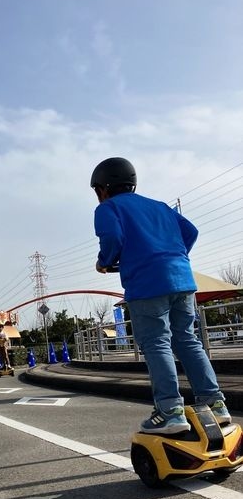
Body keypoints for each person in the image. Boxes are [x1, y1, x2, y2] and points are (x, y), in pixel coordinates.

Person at [91, 156, 231, 435]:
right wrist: (172, 255)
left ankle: (170, 411)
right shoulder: (159, 206)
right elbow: (190, 231)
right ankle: (216, 405)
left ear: (102, 189)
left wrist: (105, 261)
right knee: (187, 341)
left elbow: (113, 239)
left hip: (147, 284)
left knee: (157, 343)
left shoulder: (108, 208)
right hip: (182, 279)